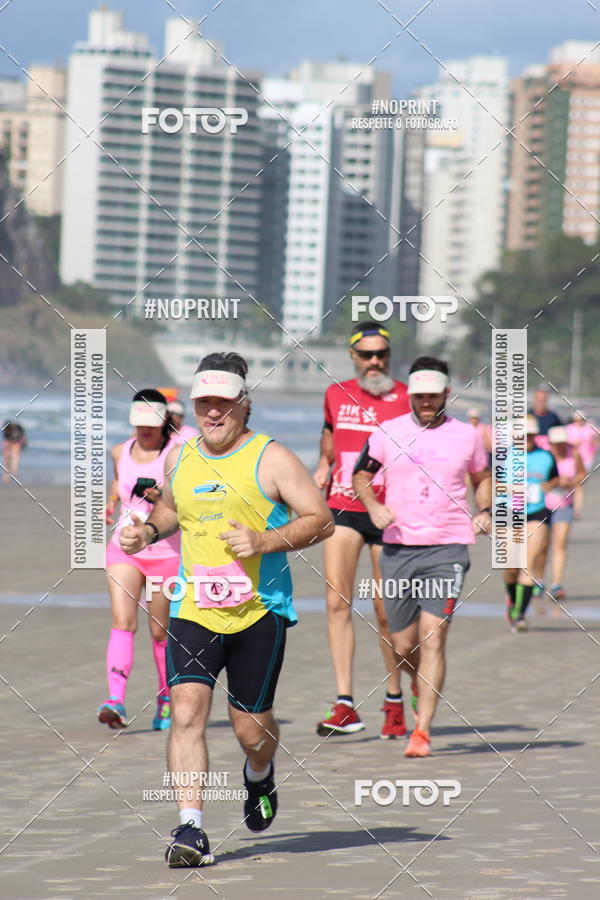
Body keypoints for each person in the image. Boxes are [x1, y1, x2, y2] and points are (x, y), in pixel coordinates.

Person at [119, 352, 332, 869]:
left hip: (260, 612)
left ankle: (259, 772)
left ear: (244, 404)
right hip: (193, 607)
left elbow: (320, 520)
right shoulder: (181, 456)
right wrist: (147, 530)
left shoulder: (272, 458)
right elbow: (171, 507)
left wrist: (263, 539)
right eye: (202, 404)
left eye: (222, 403)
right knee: (188, 710)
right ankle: (190, 827)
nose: (211, 413)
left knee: (250, 731)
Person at [352, 357, 492, 758]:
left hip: (448, 547)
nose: (426, 402)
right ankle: (416, 684)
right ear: (410, 395)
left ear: (446, 393)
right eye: (420, 396)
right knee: (402, 644)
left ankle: (422, 732)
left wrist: (483, 510)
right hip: (397, 547)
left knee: (434, 637)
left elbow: (482, 478)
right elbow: (361, 474)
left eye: (433, 395)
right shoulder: (387, 432)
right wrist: (373, 506)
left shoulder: (467, 436)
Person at [313, 321, 411, 739]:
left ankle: (394, 699)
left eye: (381, 354)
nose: (375, 361)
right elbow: (330, 433)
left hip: (389, 512)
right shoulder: (336, 393)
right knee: (337, 604)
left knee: (386, 612)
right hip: (342, 507)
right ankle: (345, 704)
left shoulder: (408, 397)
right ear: (353, 357)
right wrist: (322, 464)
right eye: (367, 355)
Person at [100, 389, 181, 731]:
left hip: (167, 554)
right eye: (139, 423)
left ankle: (165, 697)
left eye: (151, 422)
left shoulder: (175, 455)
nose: (144, 429)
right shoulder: (120, 450)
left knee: (160, 631)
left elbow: (182, 502)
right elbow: (121, 477)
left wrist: (161, 496)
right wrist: (111, 501)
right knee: (122, 620)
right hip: (125, 548)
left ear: (164, 421)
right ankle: (115, 701)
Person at [502, 416, 559, 631]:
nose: (527, 438)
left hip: (537, 513)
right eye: (522, 434)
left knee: (529, 562)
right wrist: (511, 490)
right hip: (508, 512)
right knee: (511, 565)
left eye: (531, 434)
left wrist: (547, 486)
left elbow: (555, 478)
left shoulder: (545, 456)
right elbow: (490, 482)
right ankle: (511, 596)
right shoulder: (504, 456)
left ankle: (520, 615)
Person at [541, 426, 586, 601]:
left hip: (564, 504)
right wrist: (554, 482)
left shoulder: (572, 453)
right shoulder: (544, 455)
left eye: (562, 443)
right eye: (557, 443)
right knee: (542, 546)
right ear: (551, 443)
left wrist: (571, 482)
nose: (560, 446)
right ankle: (538, 579)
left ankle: (556, 584)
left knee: (559, 544)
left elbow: (582, 474)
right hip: (542, 505)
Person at [566, 410, 598, 517]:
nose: (579, 421)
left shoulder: (589, 428)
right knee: (571, 484)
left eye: (581, 419)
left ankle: (577, 510)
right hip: (571, 459)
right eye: (578, 419)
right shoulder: (569, 428)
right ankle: (569, 505)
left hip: (586, 460)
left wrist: (594, 444)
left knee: (579, 485)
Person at [529, 387, 562, 451]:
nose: (541, 403)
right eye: (539, 400)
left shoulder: (553, 418)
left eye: (543, 400)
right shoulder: (528, 417)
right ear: (534, 400)